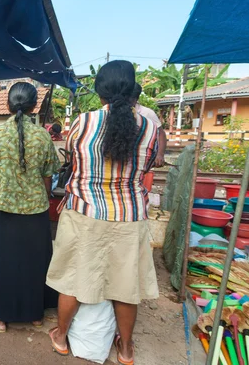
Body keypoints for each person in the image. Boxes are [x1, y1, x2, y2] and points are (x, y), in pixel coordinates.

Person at [46, 61, 159, 364]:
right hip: (130, 216)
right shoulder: (149, 126)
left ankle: (60, 335)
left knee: (73, 279)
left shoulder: (83, 123)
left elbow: (70, 160)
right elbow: (148, 166)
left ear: (100, 90)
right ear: (133, 87)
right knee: (125, 287)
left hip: (85, 213)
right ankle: (125, 349)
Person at [0, 82, 60, 333]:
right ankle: (35, 315)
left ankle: (0, 316)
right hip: (36, 209)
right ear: (35, 105)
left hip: (4, 209)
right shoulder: (43, 135)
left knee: (5, 261)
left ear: (8, 105)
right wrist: (42, 197)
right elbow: (48, 175)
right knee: (35, 261)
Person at [131, 83, 166, 167]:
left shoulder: (147, 113)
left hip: (143, 158)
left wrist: (160, 154)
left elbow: (161, 133)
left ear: (136, 99)